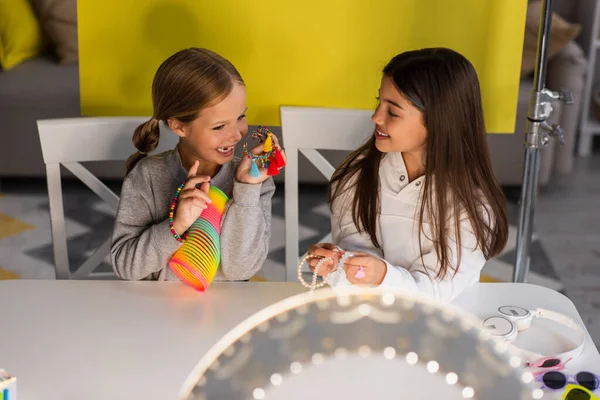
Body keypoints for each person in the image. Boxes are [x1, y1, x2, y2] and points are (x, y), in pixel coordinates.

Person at [308, 47, 508, 301]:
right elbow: (354, 266)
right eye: (378, 102)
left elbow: (438, 291)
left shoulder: (470, 204)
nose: (375, 117)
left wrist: (382, 276)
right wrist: (336, 264)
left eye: (392, 111)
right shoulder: (358, 177)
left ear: (439, 120)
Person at [111, 47, 283, 281]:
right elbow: (125, 267)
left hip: (226, 312)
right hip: (156, 311)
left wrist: (246, 190)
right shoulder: (148, 177)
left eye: (241, 117)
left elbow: (241, 271)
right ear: (179, 127)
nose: (236, 135)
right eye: (219, 126)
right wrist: (176, 225)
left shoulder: (255, 182)